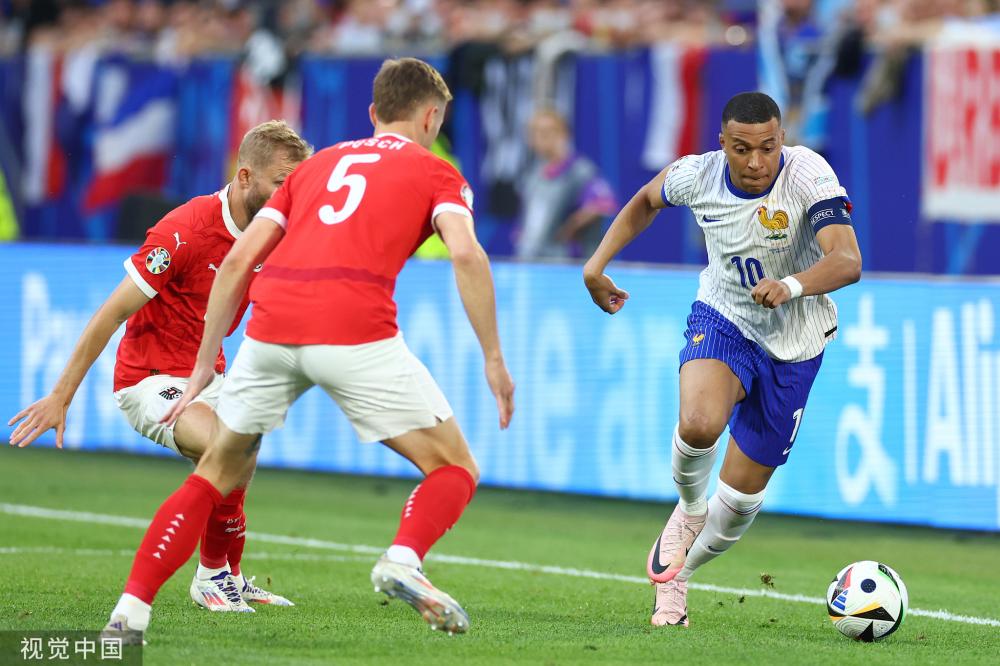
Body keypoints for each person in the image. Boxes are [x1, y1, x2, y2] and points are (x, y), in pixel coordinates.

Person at [101, 57, 515, 640]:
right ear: (431, 118)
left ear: (373, 114)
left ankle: (130, 614)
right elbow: (468, 255)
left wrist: (201, 369)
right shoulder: (438, 171)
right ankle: (402, 559)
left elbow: (241, 261)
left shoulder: (314, 167)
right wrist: (494, 358)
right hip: (354, 324)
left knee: (216, 469)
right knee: (454, 466)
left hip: (271, 325)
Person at [8, 120, 312, 613]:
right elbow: (112, 313)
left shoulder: (274, 232)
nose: (290, 194)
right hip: (150, 379)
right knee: (224, 446)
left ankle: (228, 574)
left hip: (208, 374)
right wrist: (62, 395)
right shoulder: (184, 232)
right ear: (243, 178)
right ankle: (212, 577)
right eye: (281, 183)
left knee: (243, 451)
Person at [583, 92, 861, 627]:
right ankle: (688, 510)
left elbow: (847, 261)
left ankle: (678, 578)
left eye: (767, 147)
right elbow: (645, 199)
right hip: (725, 317)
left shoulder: (809, 175)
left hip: (796, 344)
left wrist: (792, 284)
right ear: (722, 145)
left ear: (782, 138)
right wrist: (596, 265)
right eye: (742, 149)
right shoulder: (698, 176)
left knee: (735, 506)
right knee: (699, 422)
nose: (756, 163)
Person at [516, 108, 617, 260]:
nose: (540, 138)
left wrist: (569, 229)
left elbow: (604, 205)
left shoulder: (580, 172)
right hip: (532, 263)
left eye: (547, 131)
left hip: (567, 265)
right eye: (535, 132)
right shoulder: (533, 176)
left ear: (564, 134)